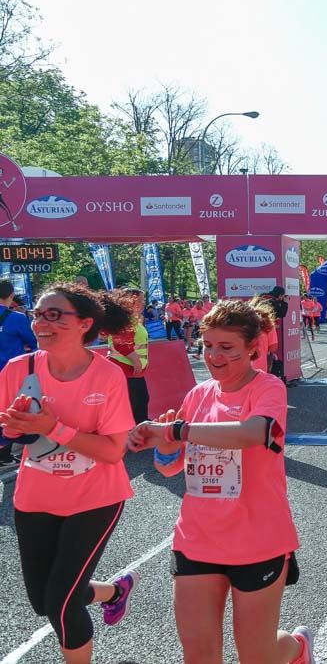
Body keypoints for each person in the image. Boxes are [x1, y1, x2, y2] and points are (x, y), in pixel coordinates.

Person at [126, 299, 314, 664]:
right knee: (198, 656)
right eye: (208, 345)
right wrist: (165, 445)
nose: (213, 356)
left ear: (252, 349)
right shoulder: (197, 395)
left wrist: (177, 430)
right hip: (198, 538)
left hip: (258, 539)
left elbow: (254, 432)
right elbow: (170, 468)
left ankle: (297, 648)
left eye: (227, 347)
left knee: (257, 657)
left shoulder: (268, 389)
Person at [0, 283, 139, 664]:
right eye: (38, 315)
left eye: (54, 315)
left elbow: (113, 451)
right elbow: (11, 432)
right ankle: (112, 592)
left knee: (61, 603)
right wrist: (14, 426)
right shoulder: (18, 369)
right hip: (36, 499)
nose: (41, 323)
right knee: (42, 600)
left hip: (95, 499)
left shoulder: (107, 376)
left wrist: (52, 427)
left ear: (85, 324)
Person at [0, 278, 37, 467]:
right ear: (11, 295)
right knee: (11, 412)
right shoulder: (16, 318)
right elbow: (36, 344)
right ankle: (4, 456)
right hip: (11, 375)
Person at [105, 288, 150, 425]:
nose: (143, 304)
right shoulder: (126, 320)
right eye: (141, 300)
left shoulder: (132, 319)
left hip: (132, 371)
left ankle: (139, 429)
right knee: (134, 403)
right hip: (126, 370)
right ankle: (132, 433)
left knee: (141, 400)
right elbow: (122, 344)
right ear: (131, 301)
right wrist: (136, 361)